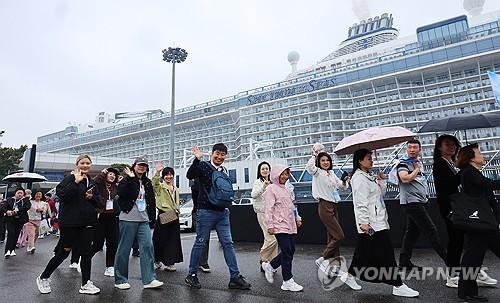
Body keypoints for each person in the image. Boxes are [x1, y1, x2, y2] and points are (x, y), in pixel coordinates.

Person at [345, 148, 419, 297]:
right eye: (368, 158)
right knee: (386, 253)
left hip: (378, 220)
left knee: (363, 251)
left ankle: (350, 276)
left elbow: (379, 195)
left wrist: (381, 180)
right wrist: (364, 222)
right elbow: (360, 202)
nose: (371, 160)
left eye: (371, 157)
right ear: (360, 161)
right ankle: (398, 285)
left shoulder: (368, 176)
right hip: (372, 224)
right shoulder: (359, 178)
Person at [184, 144, 251, 290]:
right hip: (205, 211)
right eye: (217, 153)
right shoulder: (203, 166)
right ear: (212, 153)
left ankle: (235, 277)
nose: (220, 157)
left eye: (223, 154)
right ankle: (192, 275)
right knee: (200, 242)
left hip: (222, 212)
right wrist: (197, 159)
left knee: (228, 243)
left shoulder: (224, 170)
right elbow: (189, 175)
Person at [36, 155, 102, 295]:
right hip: (70, 223)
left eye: (87, 163)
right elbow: (62, 195)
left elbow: (100, 202)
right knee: (64, 252)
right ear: (77, 164)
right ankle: (43, 277)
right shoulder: (69, 179)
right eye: (82, 163)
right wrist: (76, 183)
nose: (85, 165)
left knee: (86, 252)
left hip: (88, 222)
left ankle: (85, 283)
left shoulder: (92, 182)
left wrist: (92, 198)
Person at [455, 143, 500, 302]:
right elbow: (490, 185)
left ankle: (468, 292)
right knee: (472, 259)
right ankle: (465, 292)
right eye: (479, 152)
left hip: (484, 224)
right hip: (479, 224)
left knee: (473, 258)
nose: (482, 154)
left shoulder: (473, 173)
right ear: (471, 158)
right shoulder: (469, 173)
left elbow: (490, 197)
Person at [114, 157, 164, 290]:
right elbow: (122, 193)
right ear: (134, 166)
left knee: (148, 247)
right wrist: (131, 179)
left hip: (144, 219)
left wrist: (152, 218)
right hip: (128, 218)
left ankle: (149, 279)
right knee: (124, 249)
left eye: (144, 165)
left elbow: (151, 201)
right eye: (139, 165)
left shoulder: (147, 182)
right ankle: (120, 279)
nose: (142, 167)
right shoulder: (126, 180)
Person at [397, 139, 447, 269]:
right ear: (406, 150)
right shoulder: (403, 163)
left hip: (421, 201)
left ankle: (404, 261)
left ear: (420, 149)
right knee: (431, 231)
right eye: (410, 147)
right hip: (411, 203)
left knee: (412, 232)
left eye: (415, 147)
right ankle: (451, 262)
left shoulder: (418, 162)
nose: (412, 150)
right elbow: (404, 178)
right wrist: (416, 170)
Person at [305, 144, 349, 272]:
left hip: (334, 205)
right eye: (323, 160)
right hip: (324, 205)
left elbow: (341, 187)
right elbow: (309, 167)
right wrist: (314, 155)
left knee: (332, 236)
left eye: (327, 160)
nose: (325, 162)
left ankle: (335, 266)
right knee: (339, 236)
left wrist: (345, 180)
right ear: (319, 161)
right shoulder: (317, 172)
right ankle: (323, 259)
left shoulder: (331, 173)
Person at [261, 165, 304, 292]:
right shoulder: (271, 189)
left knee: (291, 249)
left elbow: (293, 206)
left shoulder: (286, 189)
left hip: (290, 224)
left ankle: (271, 266)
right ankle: (287, 281)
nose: (285, 176)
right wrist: (270, 225)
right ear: (276, 174)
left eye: (286, 174)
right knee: (287, 251)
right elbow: (268, 209)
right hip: (279, 225)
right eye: (282, 174)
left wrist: (298, 218)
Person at [152, 164, 183, 272]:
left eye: (170, 175)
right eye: (166, 175)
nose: (169, 177)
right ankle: (156, 260)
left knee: (173, 241)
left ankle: (170, 262)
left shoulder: (176, 188)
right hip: (164, 214)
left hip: (174, 215)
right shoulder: (161, 187)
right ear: (163, 176)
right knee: (160, 239)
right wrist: (157, 172)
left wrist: (178, 211)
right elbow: (154, 184)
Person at [92, 167, 120, 277]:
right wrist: (101, 174)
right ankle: (84, 260)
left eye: (114, 175)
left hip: (113, 217)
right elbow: (93, 182)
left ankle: (110, 266)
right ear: (106, 175)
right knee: (97, 244)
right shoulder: (99, 185)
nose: (112, 176)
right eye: (110, 174)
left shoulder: (116, 188)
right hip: (101, 216)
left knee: (112, 243)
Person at [251, 161, 278, 272]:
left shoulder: (273, 182)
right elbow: (253, 195)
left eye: (267, 168)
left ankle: (271, 264)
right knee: (271, 238)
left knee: (273, 238)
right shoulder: (258, 182)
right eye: (263, 169)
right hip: (262, 212)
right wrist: (263, 186)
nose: (265, 170)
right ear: (259, 171)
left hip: (273, 213)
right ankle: (264, 259)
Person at [1, 188, 31, 258]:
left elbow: (27, 207)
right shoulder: (9, 199)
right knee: (11, 234)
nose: (19, 194)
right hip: (10, 220)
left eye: (21, 193)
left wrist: (16, 210)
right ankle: (7, 250)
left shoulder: (25, 200)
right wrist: (7, 211)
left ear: (23, 194)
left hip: (20, 220)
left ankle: (12, 249)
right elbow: (3, 207)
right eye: (18, 193)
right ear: (15, 193)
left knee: (16, 234)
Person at [190, 178, 211, 273]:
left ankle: (201, 261)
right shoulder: (196, 184)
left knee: (204, 238)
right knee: (202, 238)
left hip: (209, 212)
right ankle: (201, 263)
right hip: (199, 211)